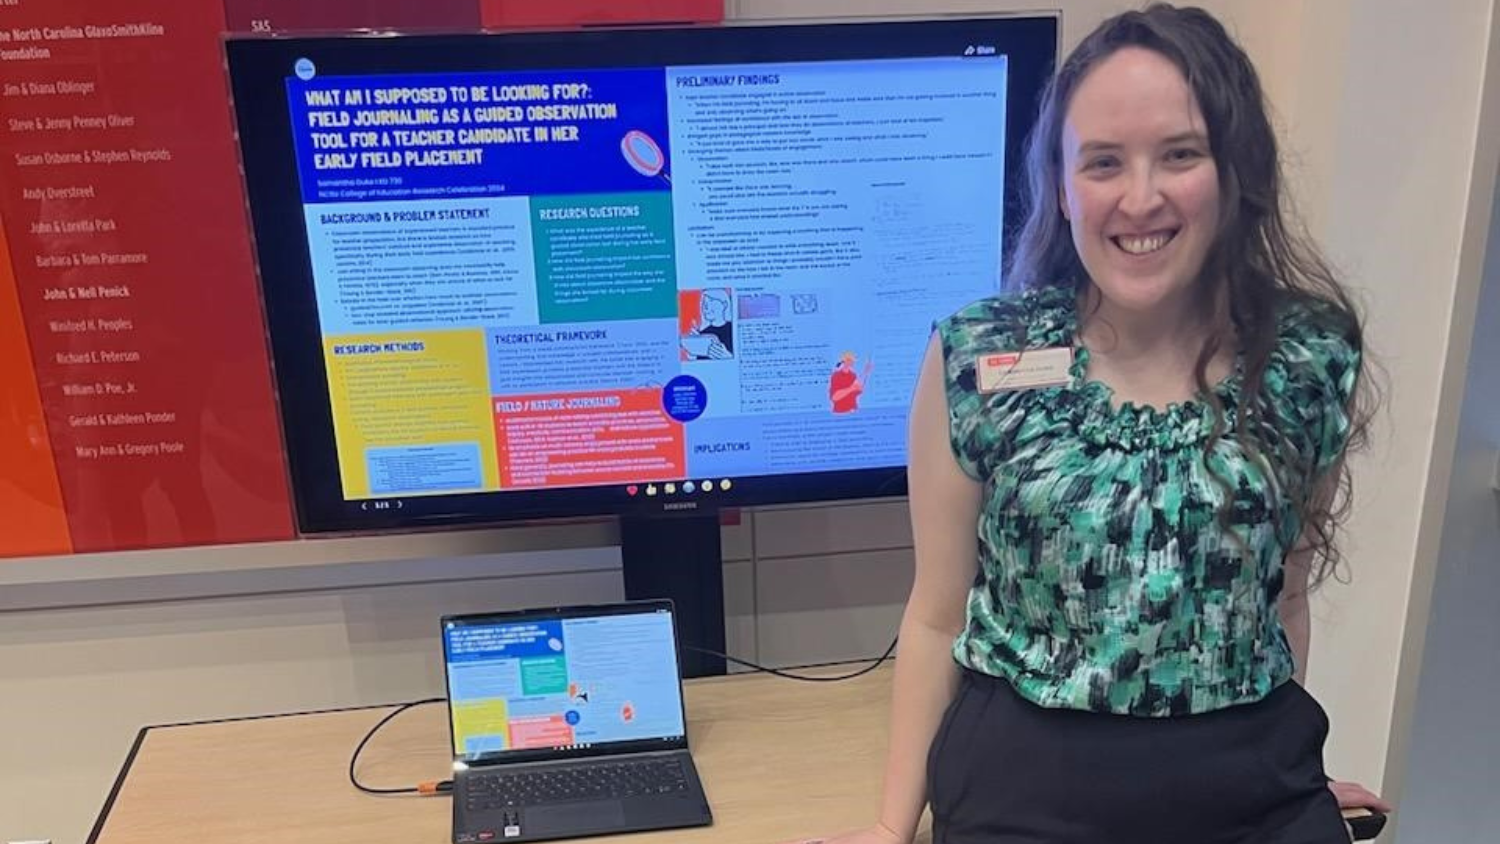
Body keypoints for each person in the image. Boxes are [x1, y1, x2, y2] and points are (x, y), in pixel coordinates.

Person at [800, 5, 1393, 844]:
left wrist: (1294, 775)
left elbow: (1281, 596)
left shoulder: (1309, 357)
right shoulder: (978, 357)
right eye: (1104, 163)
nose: (1140, 197)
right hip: (1027, 791)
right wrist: (892, 830)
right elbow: (937, 616)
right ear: (1063, 184)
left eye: (1180, 155)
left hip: (1250, 791)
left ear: (1235, 168)